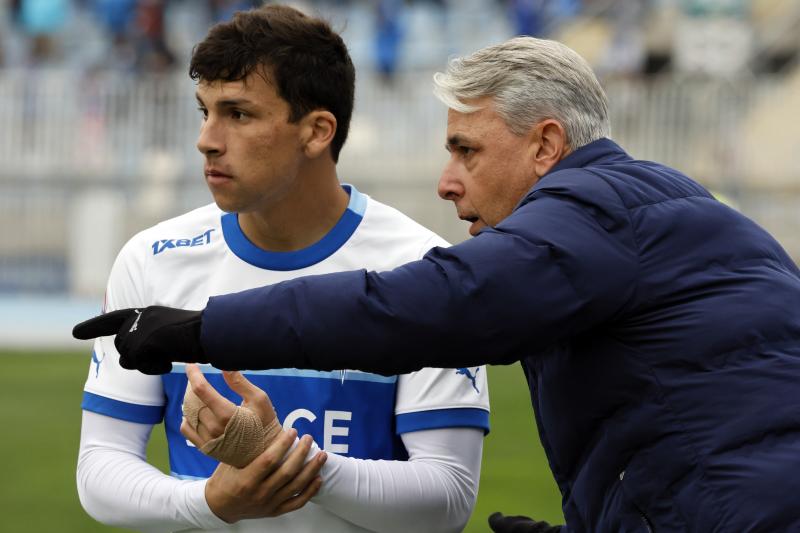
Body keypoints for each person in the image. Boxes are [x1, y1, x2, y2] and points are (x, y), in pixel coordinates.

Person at [74, 35, 800, 532]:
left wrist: (202, 328)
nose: (447, 183)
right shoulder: (648, 209)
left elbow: (424, 306)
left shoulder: (594, 212)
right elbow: (692, 417)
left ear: (546, 145)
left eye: (466, 150)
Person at [74, 5, 490, 533]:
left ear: (317, 131)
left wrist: (278, 457)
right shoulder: (153, 258)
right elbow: (100, 470)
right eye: (205, 111)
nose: (207, 138)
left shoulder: (422, 267)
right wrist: (210, 502)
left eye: (239, 114)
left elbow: (447, 496)